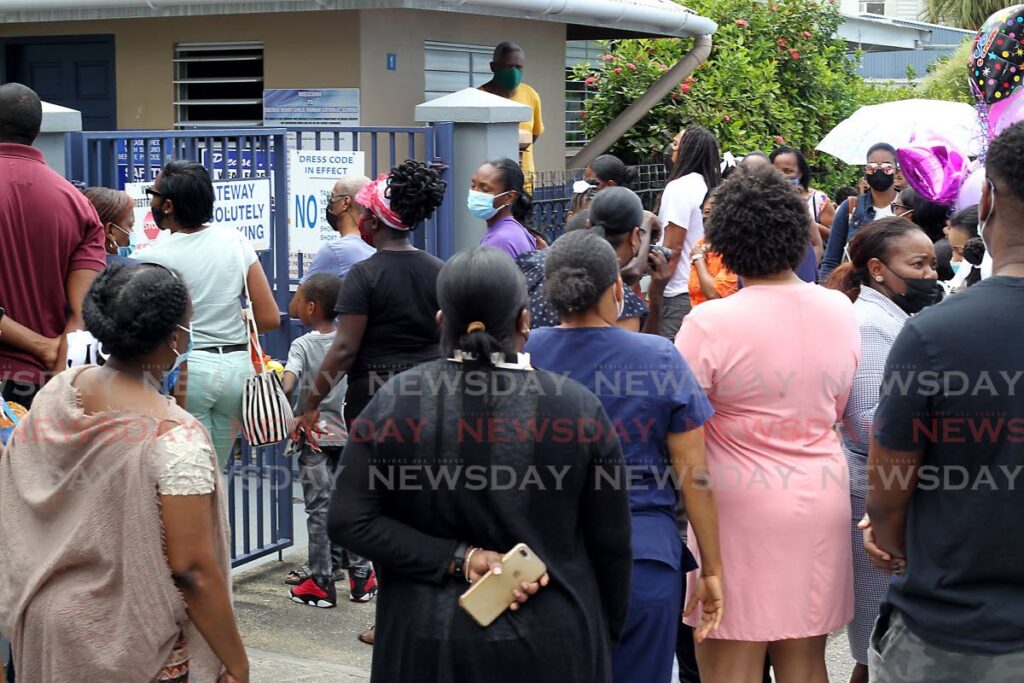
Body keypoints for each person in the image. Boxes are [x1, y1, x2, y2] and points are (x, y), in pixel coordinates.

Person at [329, 245, 633, 682]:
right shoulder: (579, 409)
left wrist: (459, 558)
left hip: (425, 646)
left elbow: (348, 520)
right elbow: (613, 547)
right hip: (556, 642)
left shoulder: (394, 402)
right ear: (525, 321)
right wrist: (604, 636)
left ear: (440, 323)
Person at [0, 262, 248, 683]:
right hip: (131, 645)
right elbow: (192, 571)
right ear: (174, 338)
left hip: (47, 624)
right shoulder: (175, 439)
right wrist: (237, 663)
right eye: (188, 326)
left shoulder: (60, 391)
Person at [676, 164, 858, 683]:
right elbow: (840, 408)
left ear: (725, 243)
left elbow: (681, 431)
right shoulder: (838, 310)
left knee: (730, 660)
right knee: (805, 661)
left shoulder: (709, 323)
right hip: (819, 495)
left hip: (735, 509)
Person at [864, 122, 1024, 683]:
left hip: (953, 639)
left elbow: (888, 493)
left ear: (985, 201)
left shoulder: (933, 337)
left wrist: (885, 539)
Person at [527, 231, 724, 683]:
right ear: (617, 288)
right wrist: (711, 570)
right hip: (643, 557)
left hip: (544, 557)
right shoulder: (658, 356)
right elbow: (695, 478)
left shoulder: (526, 353)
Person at [295, 160, 447, 641]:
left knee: (379, 512)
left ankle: (392, 620)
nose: (359, 219)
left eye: (363, 211)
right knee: (423, 508)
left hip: (377, 410)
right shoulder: (438, 270)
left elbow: (343, 348)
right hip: (429, 404)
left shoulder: (364, 276)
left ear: (376, 222)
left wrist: (310, 402)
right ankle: (422, 609)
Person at [823, 218, 939, 683]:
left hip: (883, 489)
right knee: (878, 644)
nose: (931, 274)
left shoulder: (891, 316)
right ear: (876, 268)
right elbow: (871, 421)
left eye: (932, 263)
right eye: (918, 264)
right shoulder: (871, 324)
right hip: (876, 494)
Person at [135, 160, 280, 466]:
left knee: (184, 472)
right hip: (237, 372)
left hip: (190, 370)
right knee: (215, 474)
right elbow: (269, 318)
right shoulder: (236, 241)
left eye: (153, 193)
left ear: (169, 205)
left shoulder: (151, 258)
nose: (151, 200)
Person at [0, 82, 105, 408]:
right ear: (37, 129)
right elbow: (83, 310)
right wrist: (54, 361)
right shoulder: (78, 204)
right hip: (48, 384)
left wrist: (40, 346)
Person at [283, 273, 373, 608]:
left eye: (298, 297)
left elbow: (289, 383)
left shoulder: (302, 345)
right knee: (351, 506)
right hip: (349, 437)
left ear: (310, 307)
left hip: (313, 439)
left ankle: (321, 581)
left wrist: (277, 391)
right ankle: (362, 578)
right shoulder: (350, 342)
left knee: (319, 510)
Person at [523, 187, 655, 332]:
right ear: (634, 237)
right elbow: (637, 350)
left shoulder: (530, 263)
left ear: (588, 224)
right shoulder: (623, 301)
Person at [657, 126, 722, 340]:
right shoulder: (708, 187)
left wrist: (656, 291)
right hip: (704, 286)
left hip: (678, 293)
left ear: (688, 151)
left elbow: (673, 248)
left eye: (676, 144)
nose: (671, 149)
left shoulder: (678, 188)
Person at [288, 175, 374, 319]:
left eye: (333, 197)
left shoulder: (335, 251)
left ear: (346, 202)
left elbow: (297, 308)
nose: (330, 203)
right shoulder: (379, 244)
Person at [819, 143, 901, 281]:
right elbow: (831, 260)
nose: (879, 171)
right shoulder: (851, 207)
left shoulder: (908, 205)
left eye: (887, 167)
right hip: (857, 288)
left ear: (896, 171)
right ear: (865, 170)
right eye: (872, 167)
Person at [479, 42, 544, 177]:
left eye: (518, 67)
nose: (514, 72)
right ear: (493, 67)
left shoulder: (530, 94)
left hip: (524, 178)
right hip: (489, 180)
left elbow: (534, 133)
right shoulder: (478, 97)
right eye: (508, 67)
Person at [470, 158, 536, 259]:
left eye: (485, 189)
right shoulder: (510, 230)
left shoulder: (501, 240)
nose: (475, 193)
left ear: (509, 197)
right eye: (473, 186)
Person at [770, 146, 835, 243]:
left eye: (788, 171)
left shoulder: (818, 200)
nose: (782, 176)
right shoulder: (765, 199)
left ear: (801, 173)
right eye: (776, 171)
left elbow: (835, 236)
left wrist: (806, 223)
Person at [688, 192, 738, 308]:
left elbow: (714, 294)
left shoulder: (735, 248)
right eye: (707, 212)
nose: (711, 217)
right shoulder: (701, 244)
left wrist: (698, 259)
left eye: (717, 212)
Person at [83, 186, 137, 265]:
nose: (132, 232)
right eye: (130, 226)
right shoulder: (136, 271)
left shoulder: (63, 266)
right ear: (110, 231)